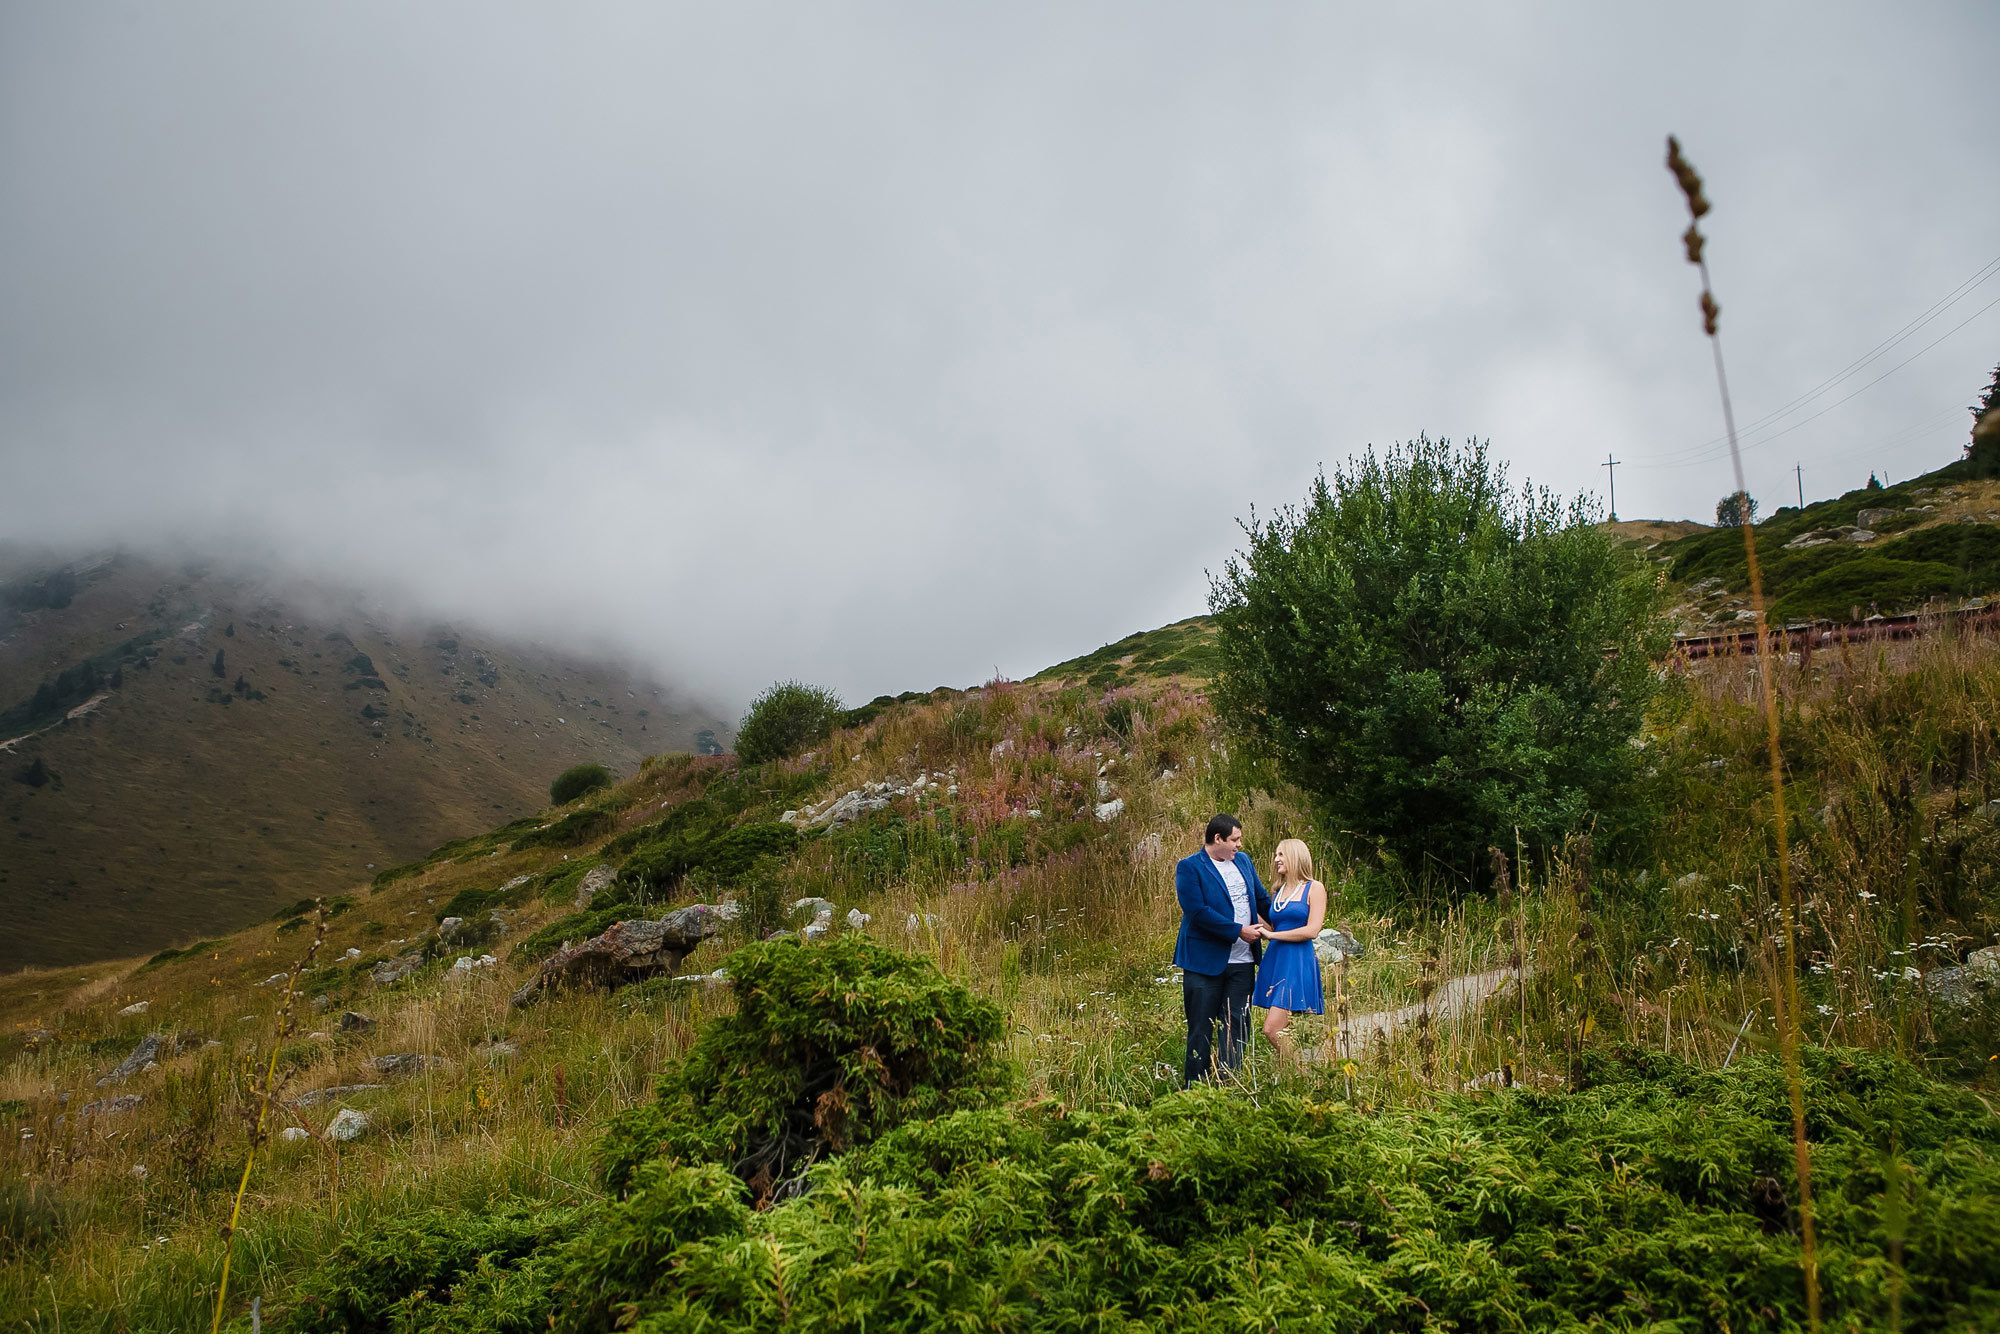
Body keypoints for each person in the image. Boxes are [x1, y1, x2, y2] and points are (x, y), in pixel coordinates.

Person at [1173, 813, 1272, 1086]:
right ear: (1218, 838)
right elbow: (1196, 911)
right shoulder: (1190, 867)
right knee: (1201, 1028)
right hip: (1204, 963)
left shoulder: (1244, 861)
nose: (1239, 845)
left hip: (1242, 963)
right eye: (1235, 840)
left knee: (1237, 1025)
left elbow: (1261, 899)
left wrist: (1285, 928)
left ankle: (1230, 1085)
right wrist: (1238, 931)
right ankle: (1195, 1088)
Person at [1252, 838, 1327, 1064]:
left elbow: (1312, 930)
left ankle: (1301, 1073)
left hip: (1297, 961)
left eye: (1281, 855)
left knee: (1271, 1029)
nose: (1276, 859)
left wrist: (1272, 936)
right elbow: (1274, 927)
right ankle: (1293, 1074)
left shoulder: (1314, 888)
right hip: (1277, 960)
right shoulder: (1280, 890)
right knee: (1282, 1029)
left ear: (1295, 856)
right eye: (1276, 854)